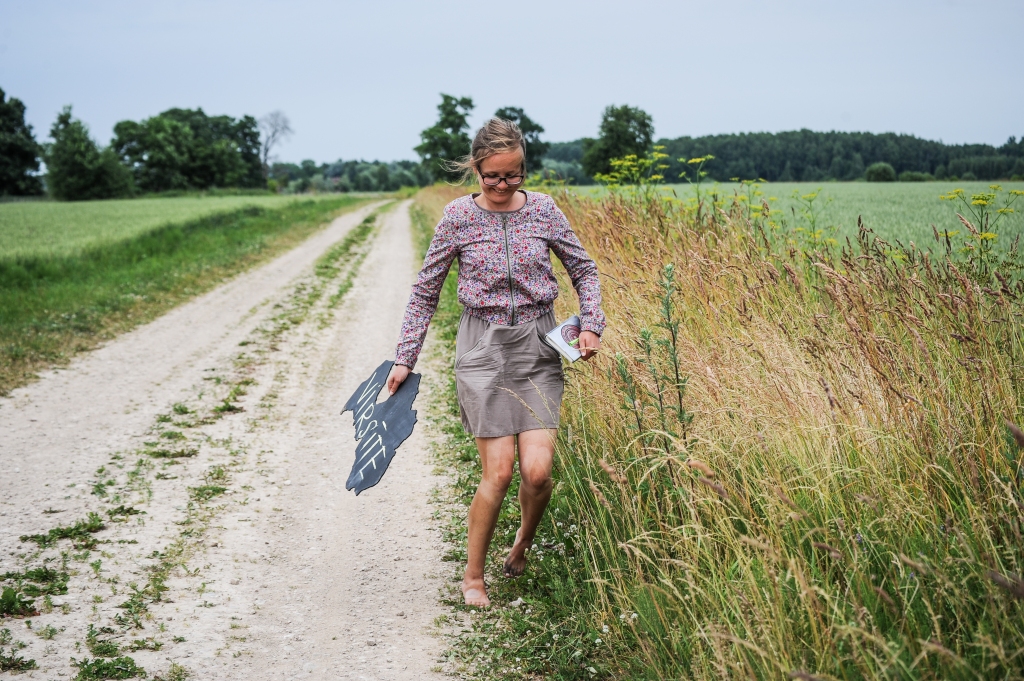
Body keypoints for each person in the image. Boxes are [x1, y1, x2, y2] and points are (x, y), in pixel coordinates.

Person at [386, 118, 605, 607]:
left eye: (513, 175)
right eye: (492, 177)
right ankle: (473, 578)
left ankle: (523, 542)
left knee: (539, 472)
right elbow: (425, 291)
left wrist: (591, 323)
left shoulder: (545, 210)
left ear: (524, 167)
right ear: (476, 169)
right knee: (500, 472)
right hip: (482, 349)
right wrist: (405, 358)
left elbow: (583, 268)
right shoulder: (457, 218)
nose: (504, 186)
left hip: (540, 346)